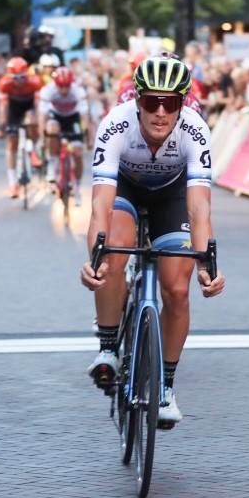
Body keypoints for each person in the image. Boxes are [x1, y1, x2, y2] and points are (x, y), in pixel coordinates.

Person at [80, 56, 225, 427]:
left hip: (173, 194)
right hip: (126, 189)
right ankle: (109, 347)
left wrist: (207, 266)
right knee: (112, 252)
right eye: (151, 102)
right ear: (137, 100)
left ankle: (164, 388)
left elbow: (199, 210)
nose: (160, 112)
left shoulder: (195, 130)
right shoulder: (115, 125)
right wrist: (95, 257)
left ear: (182, 104)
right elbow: (100, 202)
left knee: (177, 289)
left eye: (171, 103)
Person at [38, 66, 89, 205]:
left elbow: (84, 115)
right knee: (52, 130)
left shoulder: (78, 90)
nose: (64, 90)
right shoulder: (48, 90)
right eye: (61, 87)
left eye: (67, 86)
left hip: (73, 117)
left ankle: (77, 188)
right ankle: (52, 168)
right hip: (56, 116)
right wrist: (43, 137)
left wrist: (86, 135)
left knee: (78, 154)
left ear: (71, 84)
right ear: (55, 84)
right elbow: (42, 116)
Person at [0, 56, 44, 198]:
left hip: (29, 106)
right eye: (15, 78)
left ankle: (33, 150)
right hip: (13, 108)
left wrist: (39, 125)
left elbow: (38, 107)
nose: (19, 81)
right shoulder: (4, 83)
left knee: (31, 121)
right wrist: (1, 126)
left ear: (26, 74)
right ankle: (13, 183)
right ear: (10, 76)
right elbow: (3, 107)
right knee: (11, 143)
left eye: (22, 77)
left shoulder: (35, 81)